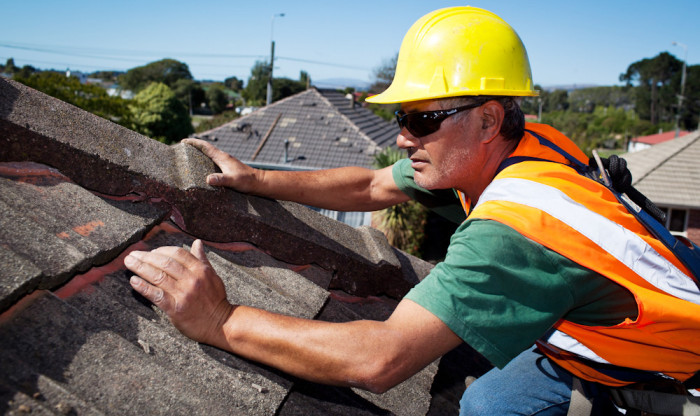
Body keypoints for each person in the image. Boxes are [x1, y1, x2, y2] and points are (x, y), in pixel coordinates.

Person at [124, 7, 700, 415]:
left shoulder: (516, 231)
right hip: (584, 334)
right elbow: (373, 186)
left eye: (420, 119)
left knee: (489, 407)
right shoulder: (528, 144)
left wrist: (219, 320)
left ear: (487, 120)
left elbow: (380, 359)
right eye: (402, 118)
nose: (402, 138)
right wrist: (258, 179)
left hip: (662, 369)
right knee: (488, 398)